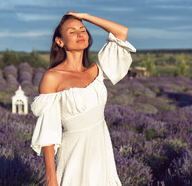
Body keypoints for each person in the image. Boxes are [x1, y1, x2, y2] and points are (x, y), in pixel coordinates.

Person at [30, 11, 137, 186]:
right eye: (72, 31)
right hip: (74, 155)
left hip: (101, 154)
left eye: (83, 30)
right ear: (59, 41)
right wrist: (51, 180)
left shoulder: (96, 71)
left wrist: (85, 16)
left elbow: (121, 33)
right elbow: (48, 131)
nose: (79, 34)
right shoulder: (52, 77)